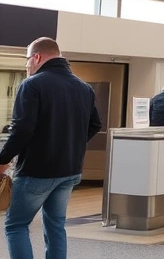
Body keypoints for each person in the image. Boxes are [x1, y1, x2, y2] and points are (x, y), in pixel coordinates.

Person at [0, 37, 102, 259]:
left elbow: (22, 129)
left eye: (27, 59)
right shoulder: (83, 87)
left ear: (36, 57)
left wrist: (2, 160)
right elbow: (95, 124)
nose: (27, 65)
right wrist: (69, 144)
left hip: (37, 171)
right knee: (56, 225)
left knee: (16, 225)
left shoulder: (32, 84)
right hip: (70, 170)